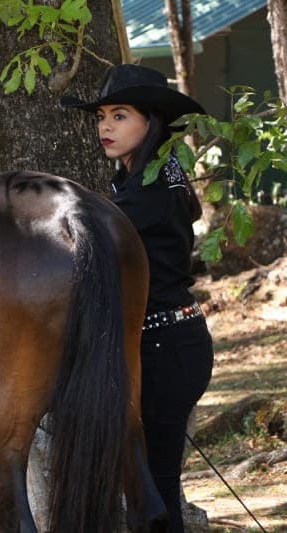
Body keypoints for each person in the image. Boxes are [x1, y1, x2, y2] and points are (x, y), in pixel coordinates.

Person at [61, 64, 215, 531]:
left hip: (168, 348)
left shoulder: (154, 185)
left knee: (156, 490)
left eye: (120, 115)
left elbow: (89, 228)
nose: (106, 126)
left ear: (152, 122)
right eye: (102, 116)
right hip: (160, 344)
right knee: (142, 487)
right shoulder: (142, 177)